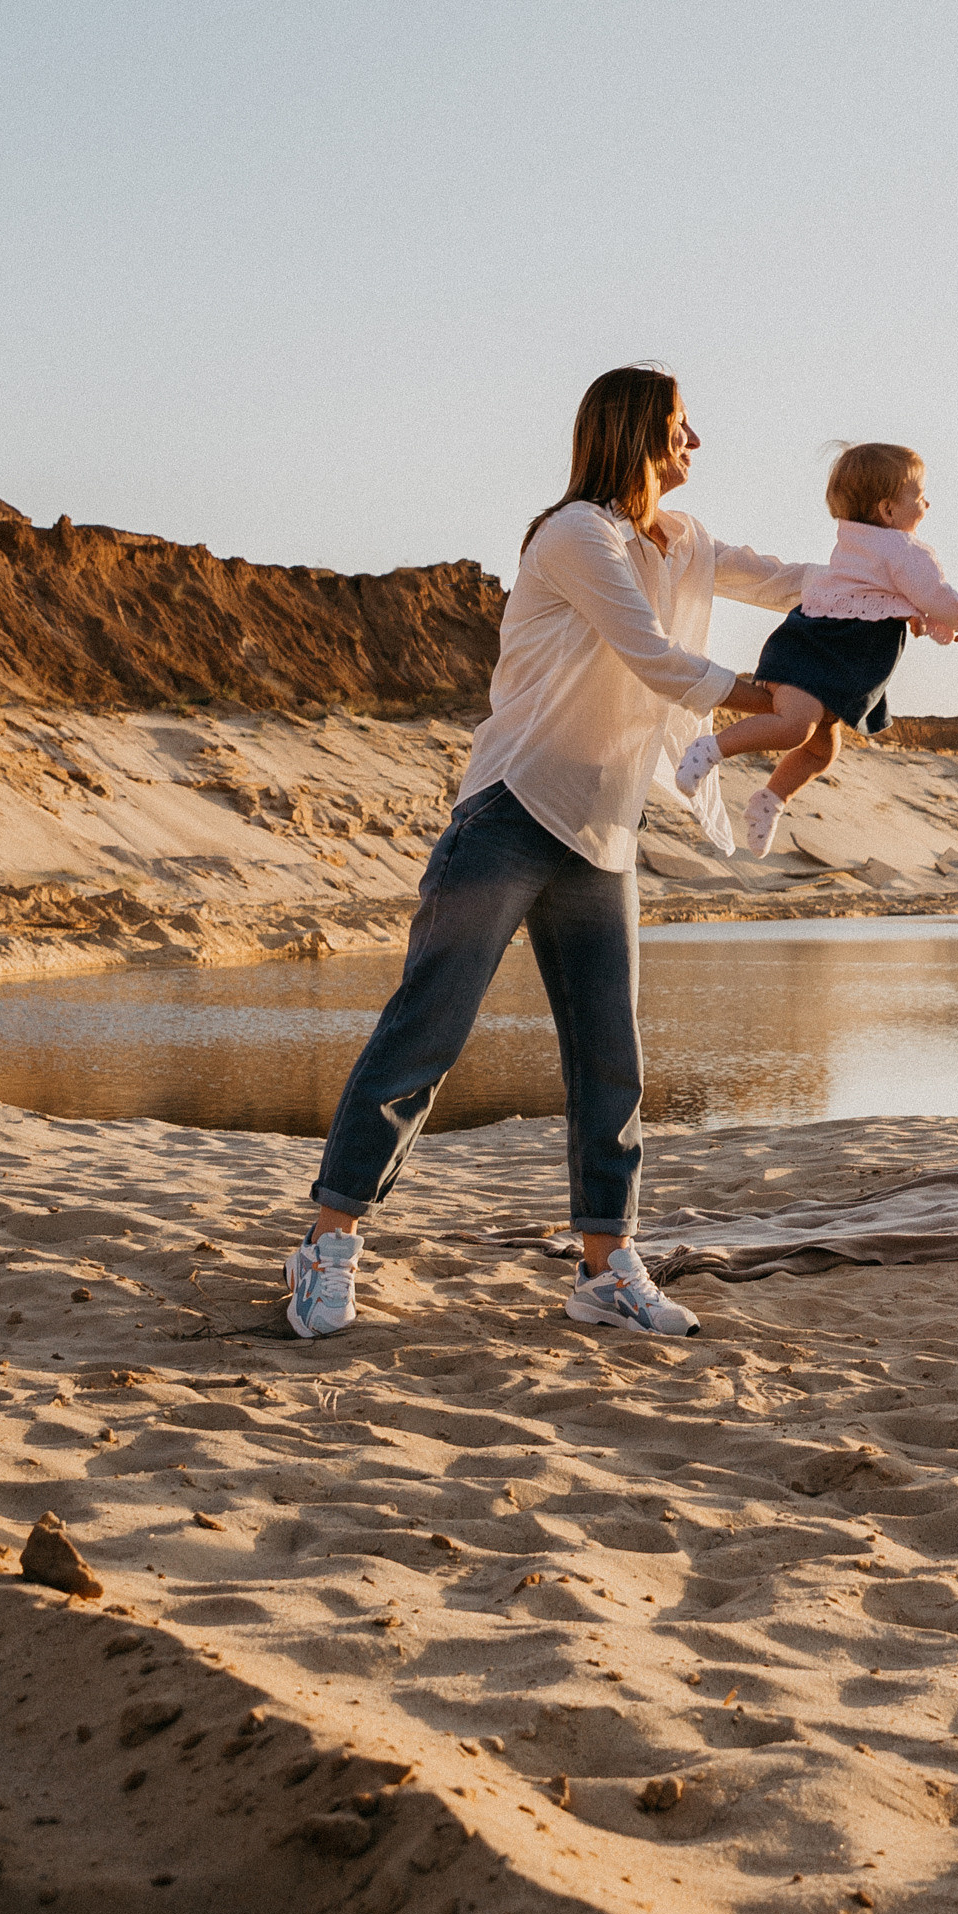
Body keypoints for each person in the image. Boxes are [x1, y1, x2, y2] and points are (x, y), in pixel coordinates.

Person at [282, 365, 809, 1343]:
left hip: (600, 833)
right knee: (425, 1034)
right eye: (683, 427)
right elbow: (651, 653)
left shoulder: (685, 540)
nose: (698, 442)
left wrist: (901, 593)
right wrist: (773, 700)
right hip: (511, 811)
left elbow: (789, 579)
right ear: (639, 434)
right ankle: (326, 1242)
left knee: (611, 1060)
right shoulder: (573, 533)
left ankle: (606, 1270)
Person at [677, 441, 958, 855]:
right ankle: (710, 750)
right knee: (796, 728)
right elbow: (937, 598)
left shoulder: (858, 542)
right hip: (825, 651)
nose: (927, 504)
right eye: (919, 496)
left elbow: (886, 594)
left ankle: (771, 799)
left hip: (832, 654)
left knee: (821, 751)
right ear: (887, 511)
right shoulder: (904, 550)